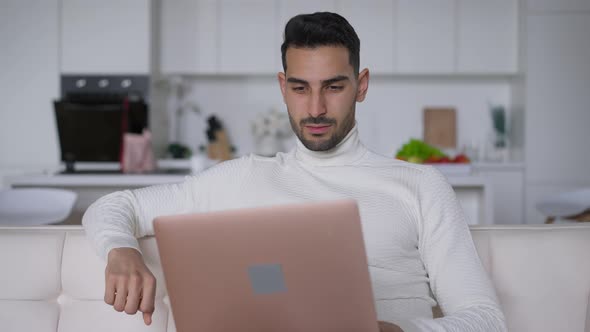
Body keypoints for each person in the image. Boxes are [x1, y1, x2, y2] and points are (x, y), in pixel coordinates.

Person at [83, 12, 507, 332]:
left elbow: (486, 320)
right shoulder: (240, 177)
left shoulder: (420, 186)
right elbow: (116, 205)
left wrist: (394, 331)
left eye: (334, 87)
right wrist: (122, 250)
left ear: (361, 85)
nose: (317, 108)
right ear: (283, 87)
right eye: (301, 88)